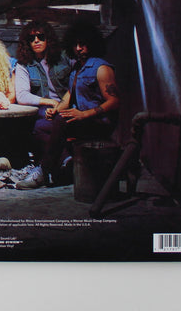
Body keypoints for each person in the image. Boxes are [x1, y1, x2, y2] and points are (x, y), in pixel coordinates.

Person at [16, 20, 120, 190]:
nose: (79, 49)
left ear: (92, 44)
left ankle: (43, 170)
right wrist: (56, 109)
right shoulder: (78, 68)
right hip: (81, 119)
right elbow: (69, 95)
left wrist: (83, 114)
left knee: (61, 121)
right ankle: (67, 161)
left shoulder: (101, 68)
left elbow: (114, 101)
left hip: (99, 122)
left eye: (83, 44)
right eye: (76, 45)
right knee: (41, 126)